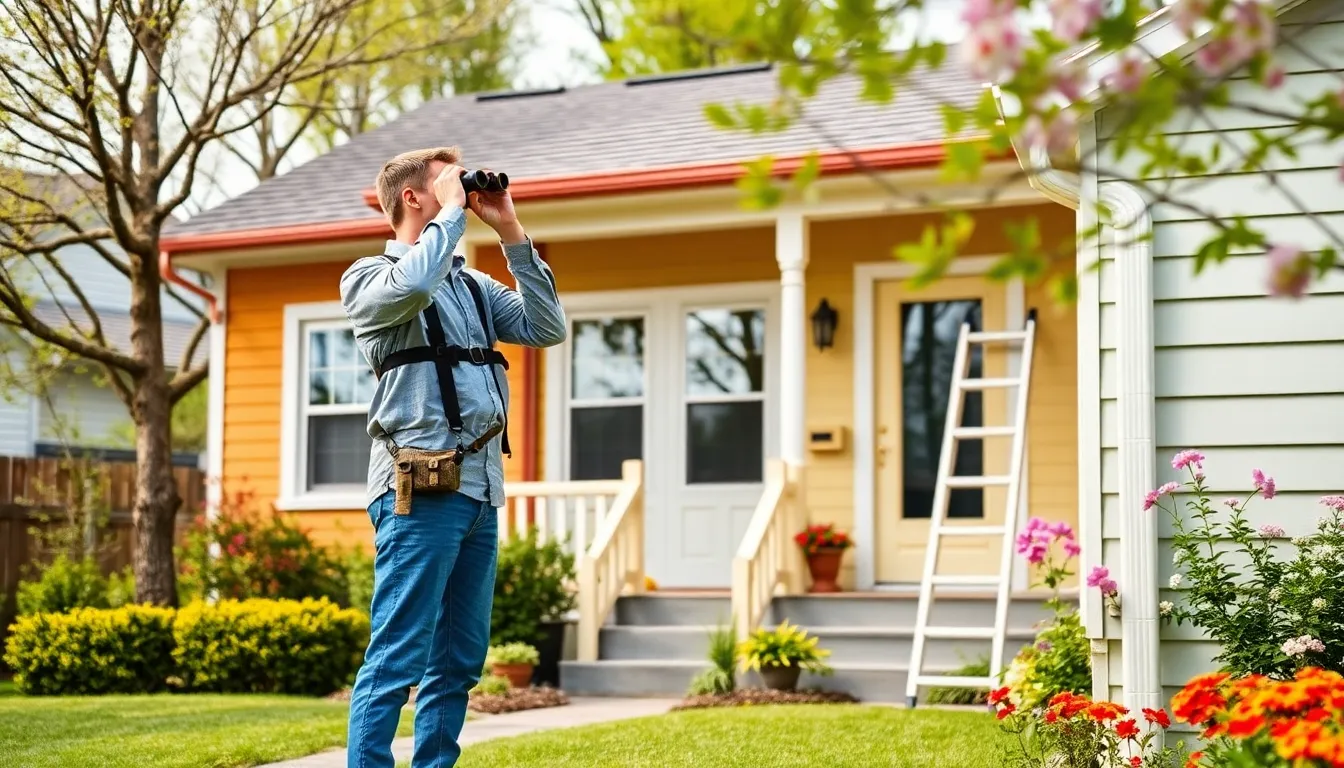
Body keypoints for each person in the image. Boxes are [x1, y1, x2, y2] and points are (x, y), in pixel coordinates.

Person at [340, 147, 566, 768]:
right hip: (418, 490)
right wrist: (453, 214)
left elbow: (547, 328)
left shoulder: (472, 285)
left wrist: (510, 228)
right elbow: (413, 282)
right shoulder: (366, 278)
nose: (460, 189)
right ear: (414, 197)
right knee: (398, 654)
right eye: (445, 181)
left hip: (480, 493)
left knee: (458, 661)